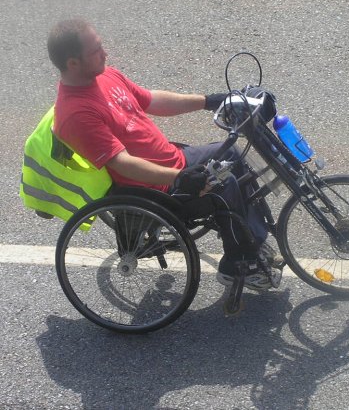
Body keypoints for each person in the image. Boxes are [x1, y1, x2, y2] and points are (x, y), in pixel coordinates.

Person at [49, 18, 282, 290]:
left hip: (175, 158)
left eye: (101, 46)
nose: (105, 54)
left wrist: (208, 100)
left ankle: (252, 242)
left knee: (238, 158)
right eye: (95, 51)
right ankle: (237, 265)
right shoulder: (76, 114)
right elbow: (121, 163)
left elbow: (151, 100)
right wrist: (179, 177)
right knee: (225, 185)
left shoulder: (105, 75)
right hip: (158, 188)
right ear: (72, 63)